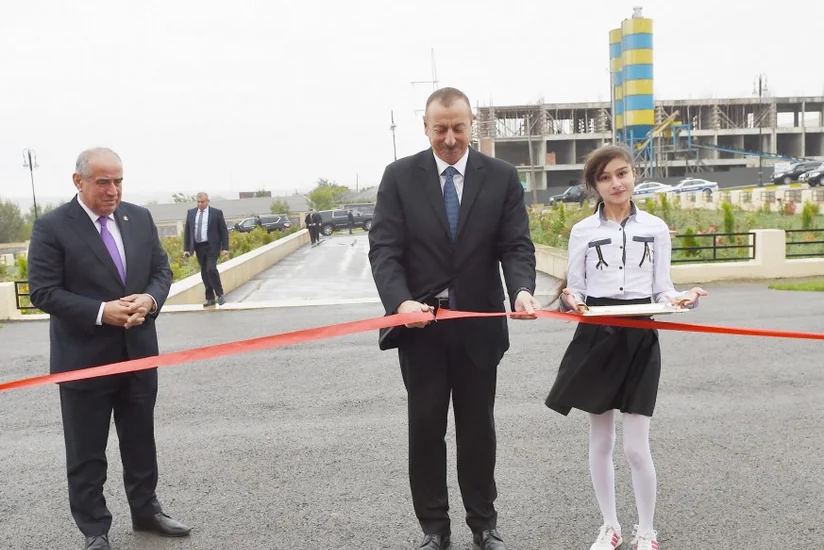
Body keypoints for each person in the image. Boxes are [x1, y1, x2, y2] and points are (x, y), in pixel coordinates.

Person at [368, 87, 540, 550]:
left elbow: (516, 245)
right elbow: (385, 249)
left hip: (479, 329)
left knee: (477, 429)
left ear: (472, 126)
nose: (449, 138)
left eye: (458, 128)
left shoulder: (501, 177)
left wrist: (522, 290)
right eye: (440, 128)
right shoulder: (399, 177)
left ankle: (483, 524)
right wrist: (400, 303)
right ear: (425, 127)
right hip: (420, 330)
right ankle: (433, 529)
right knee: (425, 429)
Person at [27, 148, 191, 550]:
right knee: (86, 451)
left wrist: (150, 301)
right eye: (103, 181)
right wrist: (103, 312)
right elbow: (43, 292)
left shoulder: (139, 218)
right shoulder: (52, 227)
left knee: (140, 440)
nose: (113, 190)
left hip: (139, 352)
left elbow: (160, 271)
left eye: (118, 180)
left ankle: (146, 511)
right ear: (78, 181)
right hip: (84, 361)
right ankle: (94, 528)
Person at [545, 144, 708, 550]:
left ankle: (647, 531)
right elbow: (576, 287)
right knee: (600, 441)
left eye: (622, 173)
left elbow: (663, 288)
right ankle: (610, 526)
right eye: (605, 177)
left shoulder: (654, 227)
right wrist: (571, 299)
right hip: (597, 335)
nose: (616, 183)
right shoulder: (583, 231)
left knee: (637, 446)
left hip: (640, 335)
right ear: (594, 186)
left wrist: (683, 297)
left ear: (634, 174)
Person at [183, 192, 230, 306]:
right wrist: (187, 249)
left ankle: (220, 294)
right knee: (204, 272)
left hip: (212, 246)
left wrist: (225, 248)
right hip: (199, 247)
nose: (200, 204)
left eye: (202, 202)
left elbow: (223, 231)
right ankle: (210, 298)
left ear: (208, 201)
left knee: (210, 269)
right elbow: (188, 232)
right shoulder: (191, 213)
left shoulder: (216, 213)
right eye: (198, 202)